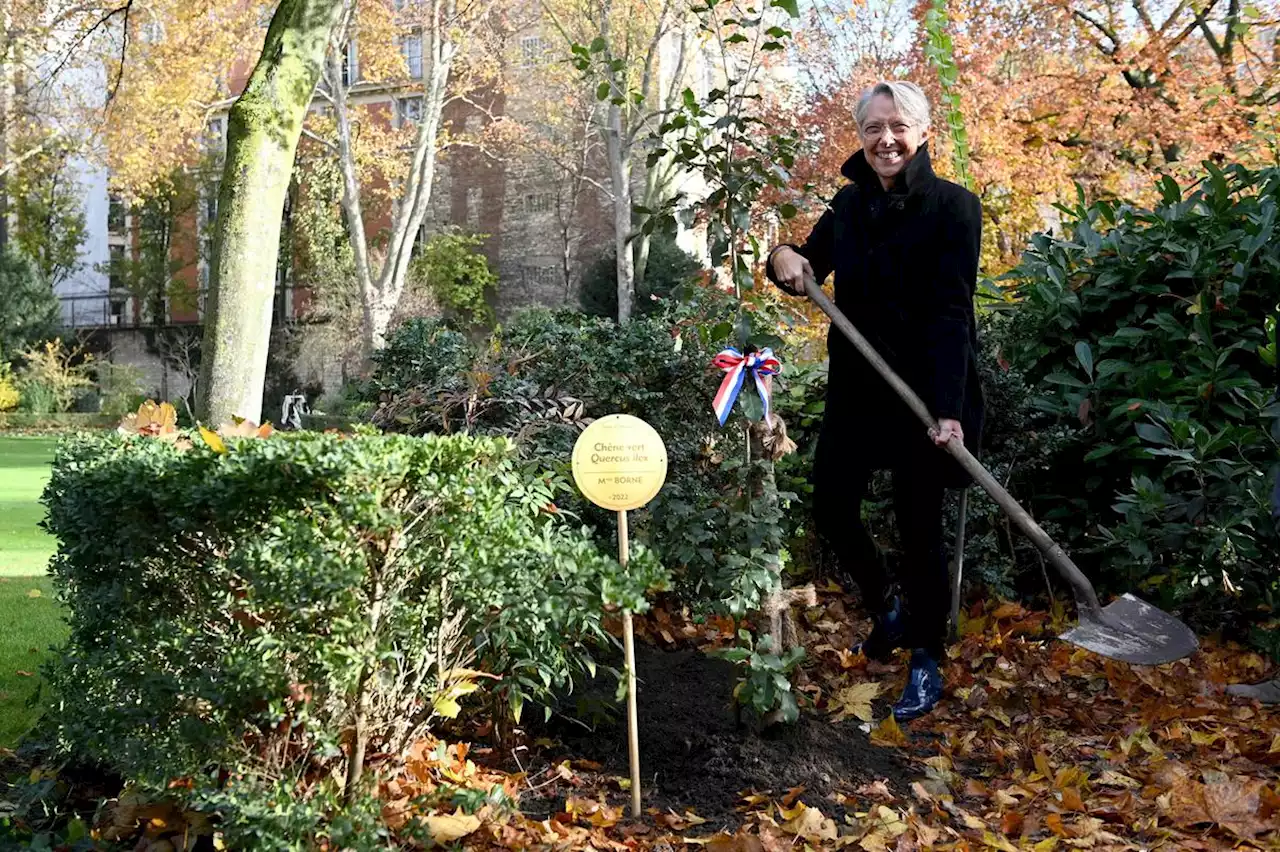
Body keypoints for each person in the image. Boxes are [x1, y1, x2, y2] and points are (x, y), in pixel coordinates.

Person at [765, 80, 985, 722]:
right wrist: (783, 254)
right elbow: (808, 263)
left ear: (921, 133)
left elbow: (952, 312)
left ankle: (926, 655)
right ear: (860, 136)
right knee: (831, 504)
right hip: (859, 389)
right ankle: (885, 605)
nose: (885, 140)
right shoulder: (850, 203)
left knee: (920, 529)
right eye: (872, 128)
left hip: (922, 395)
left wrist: (947, 409)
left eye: (898, 127)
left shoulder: (954, 208)